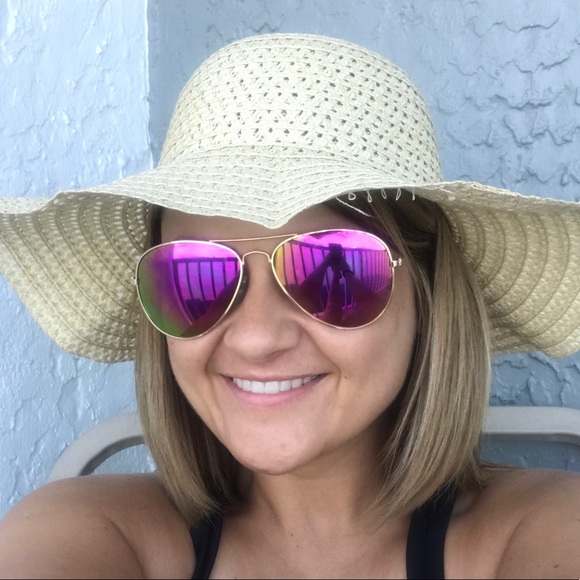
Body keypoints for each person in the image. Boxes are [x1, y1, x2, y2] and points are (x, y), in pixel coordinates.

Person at [1, 32, 580, 578]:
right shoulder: (89, 529)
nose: (256, 337)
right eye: (194, 274)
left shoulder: (545, 530)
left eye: (333, 270)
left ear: (428, 296)